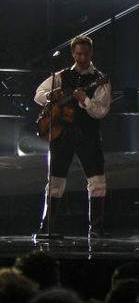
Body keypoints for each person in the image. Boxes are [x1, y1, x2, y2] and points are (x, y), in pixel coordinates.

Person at [33, 35, 112, 238]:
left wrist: (85, 100)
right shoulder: (61, 75)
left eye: (85, 54)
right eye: (78, 54)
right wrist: (51, 95)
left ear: (91, 53)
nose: (82, 58)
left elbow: (101, 111)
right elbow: (38, 94)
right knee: (55, 180)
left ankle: (96, 228)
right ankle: (47, 226)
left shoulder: (100, 79)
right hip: (62, 134)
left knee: (97, 180)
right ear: (73, 54)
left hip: (88, 134)